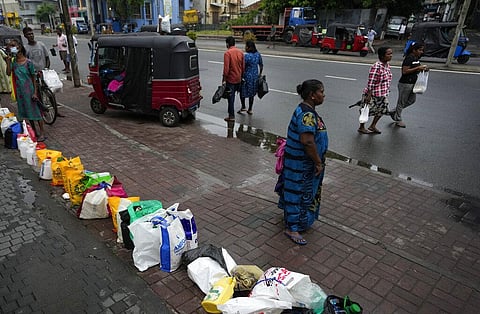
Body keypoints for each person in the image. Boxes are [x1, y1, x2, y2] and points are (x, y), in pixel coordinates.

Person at [278, 79, 328, 245]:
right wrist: (318, 162)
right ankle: (292, 228)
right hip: (302, 164)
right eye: (321, 91)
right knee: (298, 194)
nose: (324, 95)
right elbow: (307, 141)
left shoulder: (307, 110)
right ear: (312, 95)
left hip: (301, 162)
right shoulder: (307, 115)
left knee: (297, 192)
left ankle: (294, 221)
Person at [4, 40, 46, 141]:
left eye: (13, 46)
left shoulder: (28, 63)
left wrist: (35, 92)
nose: (11, 48)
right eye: (10, 46)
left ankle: (42, 133)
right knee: (27, 113)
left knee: (36, 113)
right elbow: (8, 73)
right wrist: (8, 62)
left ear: (19, 47)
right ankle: (34, 131)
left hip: (30, 91)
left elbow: (33, 78)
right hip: (20, 92)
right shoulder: (14, 62)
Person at [390, 42, 428, 128]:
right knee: (401, 102)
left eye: (422, 50)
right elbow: (404, 71)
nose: (421, 52)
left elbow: (415, 69)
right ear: (414, 50)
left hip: (413, 83)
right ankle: (398, 119)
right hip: (405, 83)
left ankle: (393, 111)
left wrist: (422, 69)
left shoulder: (416, 58)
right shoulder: (409, 58)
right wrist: (418, 68)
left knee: (411, 100)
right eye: (419, 50)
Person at [358, 46, 393, 134]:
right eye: (388, 54)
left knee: (382, 110)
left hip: (383, 93)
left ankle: (373, 126)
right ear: (382, 56)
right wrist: (369, 95)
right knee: (366, 110)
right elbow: (371, 81)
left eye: (391, 54)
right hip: (373, 94)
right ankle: (361, 127)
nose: (391, 56)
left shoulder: (387, 65)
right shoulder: (376, 67)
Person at [222, 36, 244, 122]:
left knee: (230, 98)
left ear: (227, 44)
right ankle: (231, 114)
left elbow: (226, 69)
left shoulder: (227, 53)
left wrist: (224, 79)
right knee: (233, 96)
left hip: (231, 79)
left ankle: (231, 115)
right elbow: (243, 67)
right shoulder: (240, 52)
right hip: (238, 78)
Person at [238, 40, 263, 115]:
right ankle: (250, 109)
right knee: (252, 94)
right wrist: (260, 74)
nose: (245, 48)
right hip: (254, 77)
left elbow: (242, 67)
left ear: (249, 48)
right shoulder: (258, 55)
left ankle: (243, 106)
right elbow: (261, 65)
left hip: (246, 77)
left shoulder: (247, 56)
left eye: (246, 46)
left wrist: (240, 75)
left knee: (242, 92)